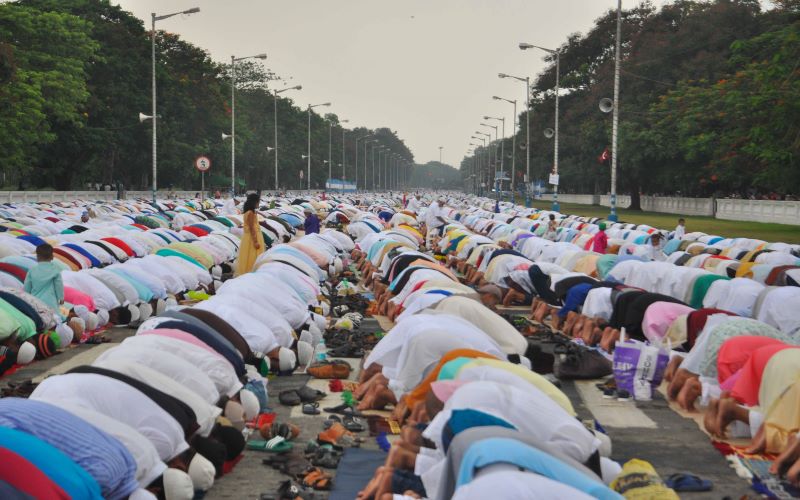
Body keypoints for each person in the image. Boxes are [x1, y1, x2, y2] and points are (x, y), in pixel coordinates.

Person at [23, 244, 64, 311]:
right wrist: (61, 299)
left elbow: (27, 288)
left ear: (37, 256)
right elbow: (59, 286)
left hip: (35, 303)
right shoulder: (55, 270)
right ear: (52, 257)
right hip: (51, 304)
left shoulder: (32, 270)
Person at [234, 193, 265, 277]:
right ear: (254, 202)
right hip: (252, 238)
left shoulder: (249, 212)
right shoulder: (250, 213)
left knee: (249, 256)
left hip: (249, 237)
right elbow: (252, 228)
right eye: (258, 202)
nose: (258, 204)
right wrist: (255, 241)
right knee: (252, 256)